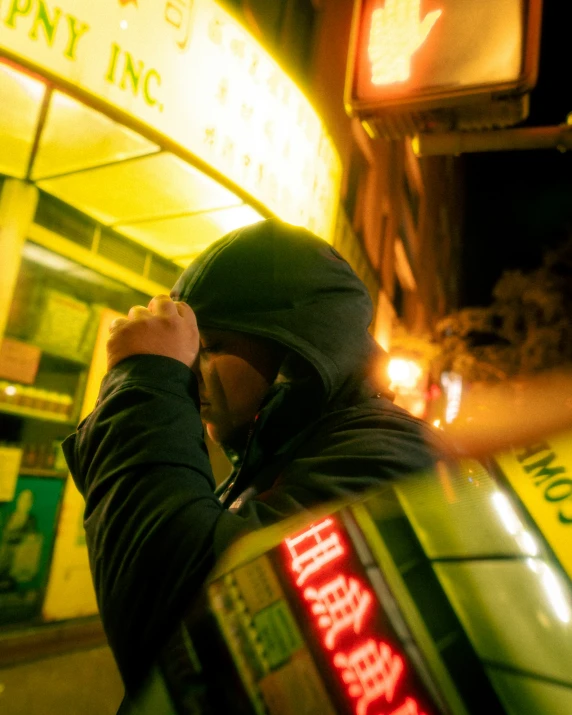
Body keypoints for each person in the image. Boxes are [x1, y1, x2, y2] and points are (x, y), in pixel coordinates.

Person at [62, 219, 453, 693]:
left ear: (295, 351)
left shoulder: (387, 456)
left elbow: (181, 625)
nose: (190, 374)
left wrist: (146, 379)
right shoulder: (287, 450)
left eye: (209, 347)